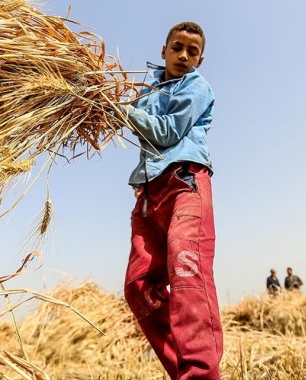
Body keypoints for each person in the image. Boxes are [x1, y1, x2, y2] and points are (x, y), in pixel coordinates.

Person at [120, 22, 221, 380]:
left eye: (192, 51)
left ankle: (200, 374)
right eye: (177, 47)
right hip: (149, 193)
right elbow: (136, 127)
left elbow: (166, 132)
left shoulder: (196, 86)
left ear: (201, 59)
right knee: (138, 288)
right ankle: (184, 372)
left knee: (186, 270)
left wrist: (123, 111)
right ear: (163, 50)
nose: (183, 56)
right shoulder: (146, 89)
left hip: (185, 183)